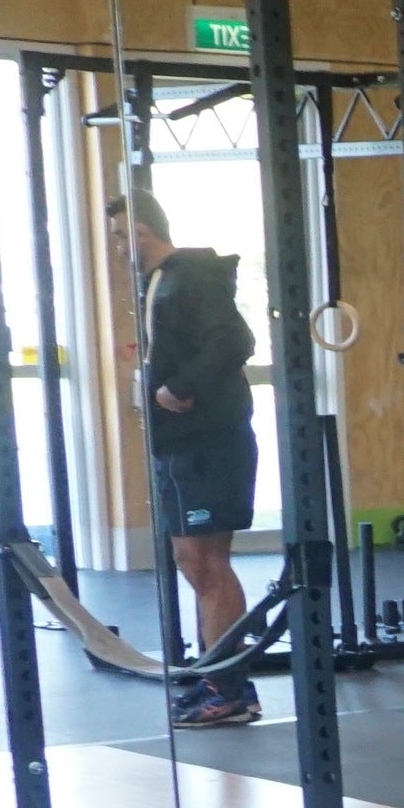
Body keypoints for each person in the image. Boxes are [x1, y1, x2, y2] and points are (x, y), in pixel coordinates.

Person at [116, 185, 263, 729]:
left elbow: (236, 341)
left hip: (208, 443)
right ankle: (219, 680)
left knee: (207, 562)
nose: (118, 249)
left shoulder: (191, 276)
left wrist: (177, 387)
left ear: (142, 232)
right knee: (193, 561)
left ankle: (228, 691)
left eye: (120, 236)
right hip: (183, 445)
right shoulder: (161, 282)